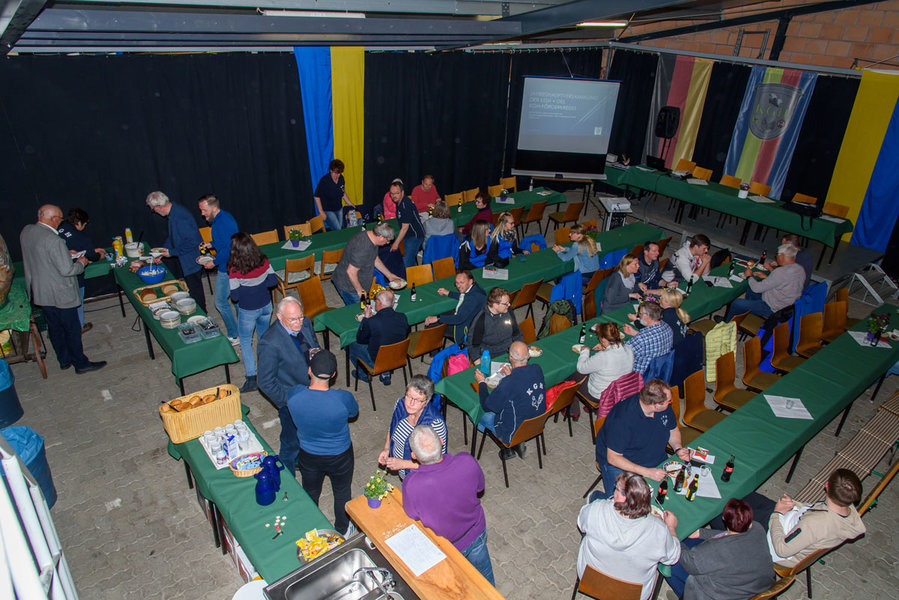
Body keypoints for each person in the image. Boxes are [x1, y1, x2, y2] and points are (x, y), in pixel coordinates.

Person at [403, 424, 494, 585]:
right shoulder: (466, 461)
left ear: (414, 456)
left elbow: (412, 514)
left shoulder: (412, 484)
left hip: (447, 548)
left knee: (457, 588)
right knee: (486, 583)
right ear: (441, 441)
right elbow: (480, 487)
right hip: (476, 533)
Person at [20, 205, 106, 373]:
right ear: (53, 219)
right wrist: (81, 262)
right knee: (72, 329)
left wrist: (65, 253)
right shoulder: (55, 240)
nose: (61, 223)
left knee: (55, 328)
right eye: (60, 219)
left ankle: (64, 360)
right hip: (61, 293)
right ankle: (81, 364)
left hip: (42, 292)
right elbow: (68, 270)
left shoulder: (27, 231)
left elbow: (42, 255)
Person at [286, 349, 358, 538]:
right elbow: (353, 413)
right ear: (333, 374)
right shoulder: (343, 398)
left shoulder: (294, 395)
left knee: (310, 491)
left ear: (309, 370)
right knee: (341, 491)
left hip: (308, 455)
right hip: (340, 455)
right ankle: (343, 529)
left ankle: (311, 528)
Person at [577, 472, 680, 600]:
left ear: (619, 497)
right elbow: (673, 557)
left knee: (595, 496)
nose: (614, 490)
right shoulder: (659, 530)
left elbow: (581, 523)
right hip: (632, 594)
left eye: (616, 488)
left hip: (590, 581)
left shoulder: (597, 509)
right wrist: (670, 527)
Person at [594, 379, 691, 498]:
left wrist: (678, 448)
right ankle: (596, 498)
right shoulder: (622, 419)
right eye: (669, 401)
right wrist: (647, 472)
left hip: (652, 456)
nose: (670, 403)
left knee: (669, 491)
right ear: (657, 404)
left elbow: (673, 430)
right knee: (622, 502)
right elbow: (613, 458)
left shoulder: (664, 408)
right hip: (620, 463)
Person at [257, 296, 321, 476]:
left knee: (308, 434)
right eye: (293, 319)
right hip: (292, 399)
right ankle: (287, 477)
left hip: (312, 391)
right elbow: (265, 382)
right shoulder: (270, 342)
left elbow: (314, 346)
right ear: (279, 317)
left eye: (300, 317)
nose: (299, 322)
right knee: (290, 442)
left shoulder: (304, 322)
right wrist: (289, 401)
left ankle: (300, 461)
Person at [666, 498, 774, 600]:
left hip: (723, 595)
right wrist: (702, 533)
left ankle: (684, 595)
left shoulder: (717, 550)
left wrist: (672, 529)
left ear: (724, 519)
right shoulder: (757, 528)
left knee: (670, 562)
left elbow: (687, 560)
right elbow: (732, 534)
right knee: (691, 543)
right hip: (756, 586)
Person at [767, 468, 866, 568]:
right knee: (760, 500)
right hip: (797, 526)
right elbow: (812, 509)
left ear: (826, 485)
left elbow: (782, 550)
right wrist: (794, 505)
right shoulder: (846, 508)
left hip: (781, 550)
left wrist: (777, 513)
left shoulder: (815, 523)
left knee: (757, 509)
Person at [474, 340, 545, 459]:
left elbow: (487, 406)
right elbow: (521, 383)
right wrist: (511, 375)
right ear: (528, 355)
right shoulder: (537, 369)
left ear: (510, 357)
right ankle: (517, 443)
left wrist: (481, 382)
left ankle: (508, 446)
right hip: (536, 424)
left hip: (512, 431)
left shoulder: (508, 383)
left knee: (477, 414)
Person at [228, 232, 277, 393]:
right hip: (266, 306)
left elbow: (235, 297)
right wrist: (258, 285)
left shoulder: (234, 269)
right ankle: (267, 371)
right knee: (263, 338)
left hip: (248, 310)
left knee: (245, 341)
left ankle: (251, 377)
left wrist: (248, 289)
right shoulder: (264, 260)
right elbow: (272, 281)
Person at [146, 190, 207, 313]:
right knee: (191, 288)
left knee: (195, 290)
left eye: (153, 209)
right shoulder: (173, 213)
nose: (154, 212)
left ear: (159, 207)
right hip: (185, 257)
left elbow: (193, 242)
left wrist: (172, 252)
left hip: (191, 259)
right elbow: (172, 237)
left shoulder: (180, 217)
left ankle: (202, 314)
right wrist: (162, 252)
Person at [378, 375, 447, 479]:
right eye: (409, 396)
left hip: (419, 477)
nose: (411, 403)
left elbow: (438, 463)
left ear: (427, 402)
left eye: (418, 400)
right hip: (402, 470)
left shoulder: (435, 424)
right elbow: (391, 427)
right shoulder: (400, 404)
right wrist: (386, 449)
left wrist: (403, 464)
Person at [197, 194, 239, 345]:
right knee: (236, 298)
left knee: (220, 302)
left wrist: (213, 262)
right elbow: (225, 241)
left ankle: (234, 335)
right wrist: (211, 244)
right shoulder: (224, 217)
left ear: (214, 207)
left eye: (204, 210)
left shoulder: (222, 223)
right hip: (234, 264)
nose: (202, 214)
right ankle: (243, 330)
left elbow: (228, 249)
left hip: (227, 267)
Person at [571, 322, 634, 420]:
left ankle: (574, 411)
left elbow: (581, 368)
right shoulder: (629, 349)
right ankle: (596, 409)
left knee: (572, 375)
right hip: (617, 392)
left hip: (598, 395)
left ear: (604, 339)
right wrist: (605, 347)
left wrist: (585, 351)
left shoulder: (603, 357)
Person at [725, 244, 805, 321]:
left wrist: (749, 276)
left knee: (737, 303)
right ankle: (747, 314)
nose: (776, 257)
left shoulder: (780, 272)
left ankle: (727, 325)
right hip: (785, 304)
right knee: (751, 287)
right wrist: (766, 277)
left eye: (777, 254)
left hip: (773, 308)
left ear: (782, 255)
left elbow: (757, 288)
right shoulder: (800, 269)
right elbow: (783, 282)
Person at [56, 207, 106, 333]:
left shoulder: (58, 227)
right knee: (78, 301)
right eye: (84, 224)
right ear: (79, 223)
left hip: (55, 275)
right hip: (74, 275)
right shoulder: (82, 238)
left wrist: (91, 250)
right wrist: (100, 255)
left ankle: (57, 328)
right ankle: (80, 325)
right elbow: (92, 256)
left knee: (58, 304)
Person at [349, 289, 410, 385]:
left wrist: (365, 319)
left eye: (375, 300)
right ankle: (385, 373)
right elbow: (406, 333)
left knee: (350, 344)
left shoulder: (372, 322)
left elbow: (361, 339)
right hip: (397, 355)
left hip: (377, 359)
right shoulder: (402, 316)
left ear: (379, 303)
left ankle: (363, 374)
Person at [331, 222, 401, 306]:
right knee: (358, 310)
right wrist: (360, 290)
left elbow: (375, 259)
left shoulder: (372, 238)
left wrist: (389, 275)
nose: (387, 243)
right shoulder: (363, 248)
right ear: (380, 236)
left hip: (357, 281)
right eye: (387, 240)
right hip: (349, 286)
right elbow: (351, 272)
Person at [423, 270, 487, 345]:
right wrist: (448, 293)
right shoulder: (476, 289)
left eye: (461, 282)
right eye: (457, 282)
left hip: (462, 329)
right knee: (441, 315)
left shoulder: (472, 299)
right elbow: (463, 296)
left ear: (470, 281)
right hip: (469, 320)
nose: (458, 286)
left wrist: (437, 318)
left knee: (431, 325)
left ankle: (434, 350)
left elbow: (459, 318)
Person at [467, 287, 523, 364]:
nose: (509, 305)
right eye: (506, 303)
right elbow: (473, 345)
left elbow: (516, 333)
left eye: (509, 302)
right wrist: (479, 363)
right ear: (495, 305)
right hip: (492, 356)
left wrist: (522, 348)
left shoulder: (508, 311)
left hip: (510, 351)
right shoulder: (481, 320)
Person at [623, 301, 673, 375]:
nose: (639, 316)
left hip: (639, 375)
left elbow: (623, 352)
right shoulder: (667, 327)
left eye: (640, 313)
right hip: (660, 371)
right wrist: (635, 333)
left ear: (647, 316)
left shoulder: (641, 338)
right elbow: (653, 341)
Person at [314, 158, 357, 231]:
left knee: (341, 227)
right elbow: (316, 196)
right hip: (328, 210)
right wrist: (321, 211)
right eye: (335, 173)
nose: (336, 175)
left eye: (339, 173)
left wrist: (349, 203)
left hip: (339, 208)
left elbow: (342, 192)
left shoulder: (341, 179)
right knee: (338, 228)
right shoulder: (325, 181)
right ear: (331, 170)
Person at [390, 180, 426, 268]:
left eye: (396, 193)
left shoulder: (405, 205)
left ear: (402, 192)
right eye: (392, 193)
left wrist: (396, 243)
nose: (394, 196)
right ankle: (416, 275)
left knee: (406, 262)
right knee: (411, 262)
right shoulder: (399, 202)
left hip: (415, 236)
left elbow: (405, 227)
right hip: (408, 235)